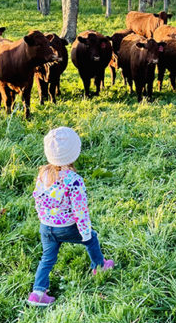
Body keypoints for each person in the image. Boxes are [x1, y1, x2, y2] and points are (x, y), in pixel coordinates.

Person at [28, 127, 114, 307]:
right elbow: (80, 210)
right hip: (66, 226)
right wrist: (85, 232)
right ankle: (99, 266)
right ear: (74, 153)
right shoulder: (74, 180)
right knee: (92, 239)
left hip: (46, 226)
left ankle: (37, 292)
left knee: (47, 258)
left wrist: (43, 218)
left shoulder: (43, 173)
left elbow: (38, 197)